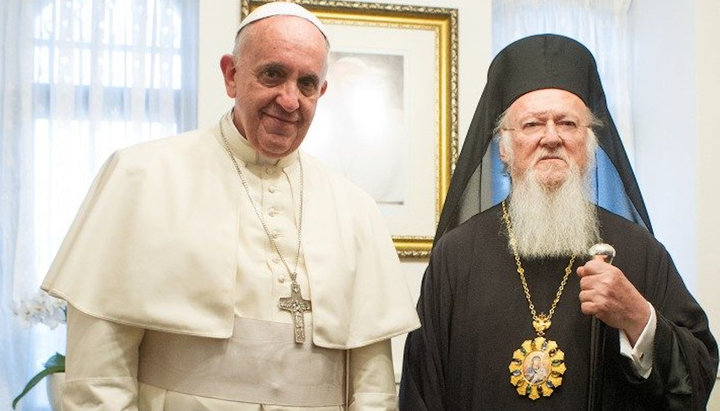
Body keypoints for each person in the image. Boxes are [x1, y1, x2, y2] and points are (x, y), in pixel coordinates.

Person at [41, 2, 420, 410]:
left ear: (321, 92)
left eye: (307, 83)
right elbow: (100, 374)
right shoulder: (141, 176)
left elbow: (372, 386)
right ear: (232, 75)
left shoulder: (355, 208)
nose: (289, 100)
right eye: (272, 74)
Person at [399, 34, 718, 410]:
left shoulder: (637, 250)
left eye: (567, 123)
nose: (551, 138)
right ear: (504, 145)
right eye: (533, 124)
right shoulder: (456, 257)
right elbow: (422, 390)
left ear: (590, 144)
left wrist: (638, 318)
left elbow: (696, 373)